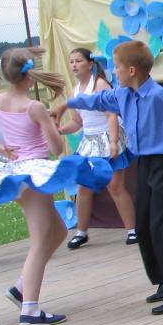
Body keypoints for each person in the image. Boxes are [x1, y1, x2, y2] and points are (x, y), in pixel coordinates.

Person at [53, 40, 163, 315]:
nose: (113, 71)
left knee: (161, 227)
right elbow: (96, 100)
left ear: (132, 70)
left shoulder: (161, 95)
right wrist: (66, 104)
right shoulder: (122, 95)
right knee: (144, 226)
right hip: (144, 163)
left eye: (117, 67)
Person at [0, 48, 111, 325]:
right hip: (33, 175)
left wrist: (1, 147)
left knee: (57, 231)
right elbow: (56, 147)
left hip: (15, 174)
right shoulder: (33, 107)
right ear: (29, 77)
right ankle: (30, 309)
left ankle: (22, 288)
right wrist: (51, 123)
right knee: (39, 240)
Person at [56, 48, 137, 249]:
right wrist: (60, 130)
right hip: (89, 142)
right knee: (83, 187)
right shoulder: (75, 90)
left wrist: (113, 142)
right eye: (71, 61)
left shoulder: (100, 84)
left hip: (108, 136)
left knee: (115, 186)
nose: (74, 65)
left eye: (78, 61)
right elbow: (77, 122)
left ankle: (133, 230)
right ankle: (81, 232)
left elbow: (111, 115)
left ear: (90, 64)